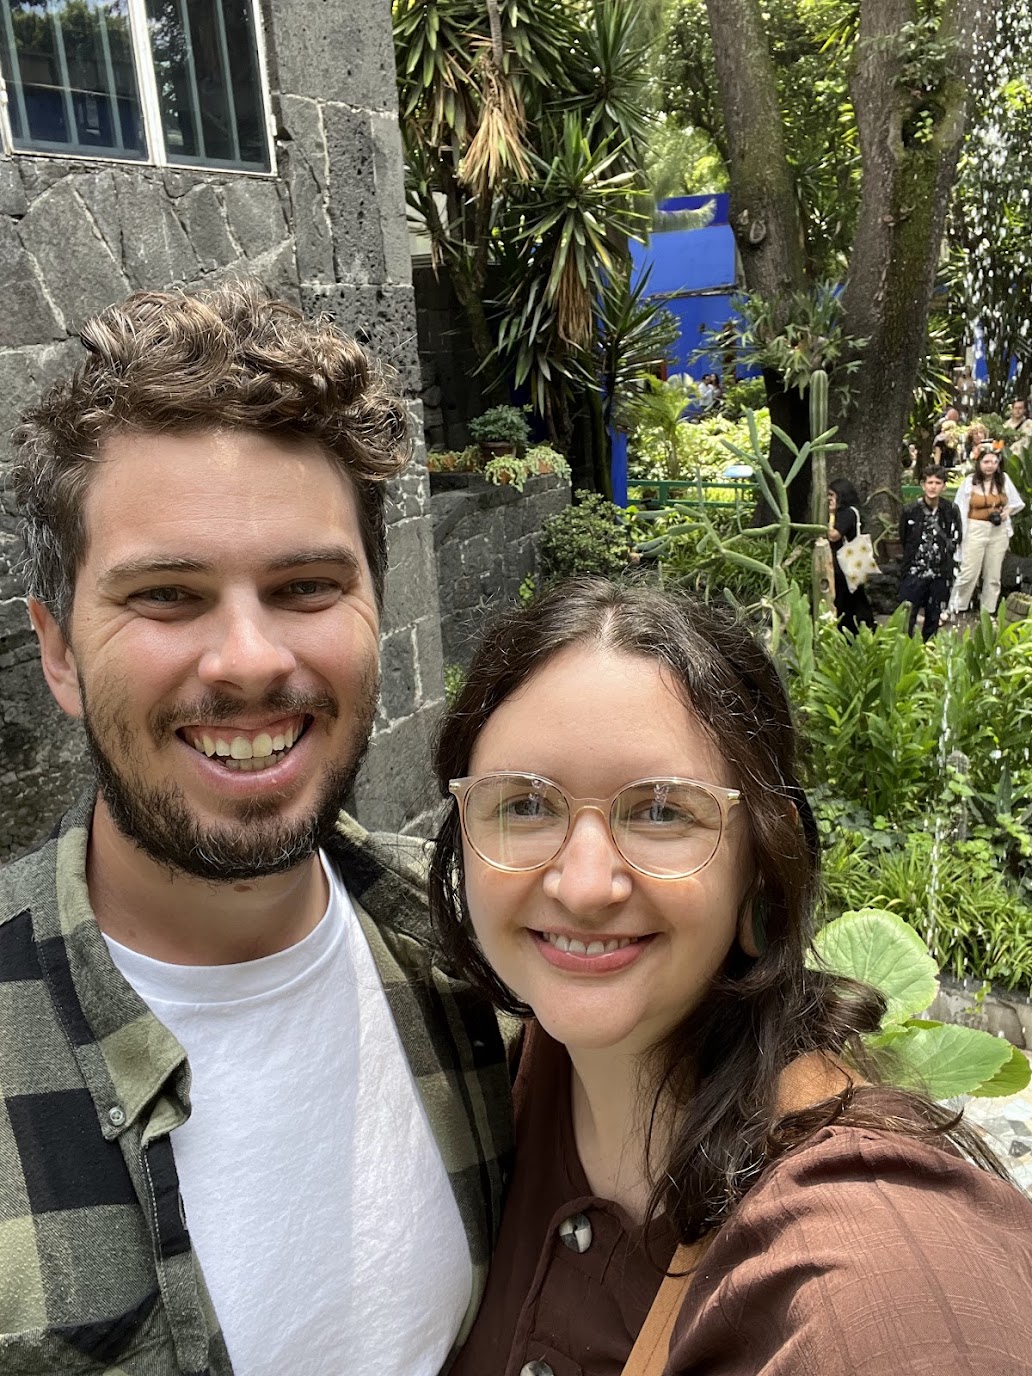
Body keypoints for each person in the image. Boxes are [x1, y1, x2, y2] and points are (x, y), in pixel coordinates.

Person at [0, 281, 511, 1375]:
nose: (248, 659)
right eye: (169, 596)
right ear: (57, 651)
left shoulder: (487, 955)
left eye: (306, 585)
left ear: (378, 605)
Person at [428, 579, 1032, 1376]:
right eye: (524, 804)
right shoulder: (497, 1093)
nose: (581, 883)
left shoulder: (860, 1250)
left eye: (662, 812)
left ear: (759, 872)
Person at [950, 443, 1026, 616]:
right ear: (979, 463)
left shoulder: (1004, 480)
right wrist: (959, 533)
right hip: (975, 529)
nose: (990, 465)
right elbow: (959, 508)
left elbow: (1016, 502)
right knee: (969, 572)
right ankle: (957, 606)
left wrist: (1007, 511)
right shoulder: (970, 482)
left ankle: (988, 610)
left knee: (993, 574)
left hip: (997, 531)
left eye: (994, 462)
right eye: (986, 462)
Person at [897, 465, 963, 639]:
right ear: (923, 485)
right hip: (914, 572)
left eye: (938, 483)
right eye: (930, 482)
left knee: (933, 617)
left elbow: (956, 537)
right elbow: (904, 538)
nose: (933, 486)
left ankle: (929, 650)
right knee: (906, 616)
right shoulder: (910, 510)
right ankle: (904, 651)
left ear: (944, 486)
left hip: (940, 574)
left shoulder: (951, 510)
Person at [826, 478, 876, 634]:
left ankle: (853, 628)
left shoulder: (847, 514)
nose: (829, 499)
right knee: (856, 597)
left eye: (832, 495)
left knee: (847, 598)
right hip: (849, 564)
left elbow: (833, 535)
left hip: (845, 565)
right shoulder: (851, 512)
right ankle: (863, 627)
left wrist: (832, 514)